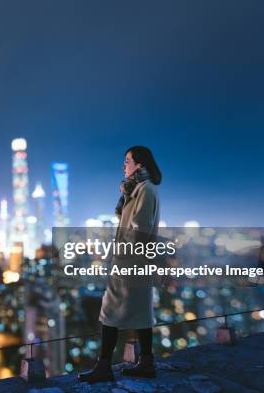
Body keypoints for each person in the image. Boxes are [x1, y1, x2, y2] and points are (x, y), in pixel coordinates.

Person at [79, 145, 162, 383]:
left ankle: (103, 366)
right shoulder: (140, 188)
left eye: (128, 160)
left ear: (140, 164)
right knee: (141, 313)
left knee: (110, 312)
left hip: (130, 262)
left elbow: (141, 230)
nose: (124, 164)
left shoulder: (145, 190)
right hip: (136, 261)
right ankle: (146, 362)